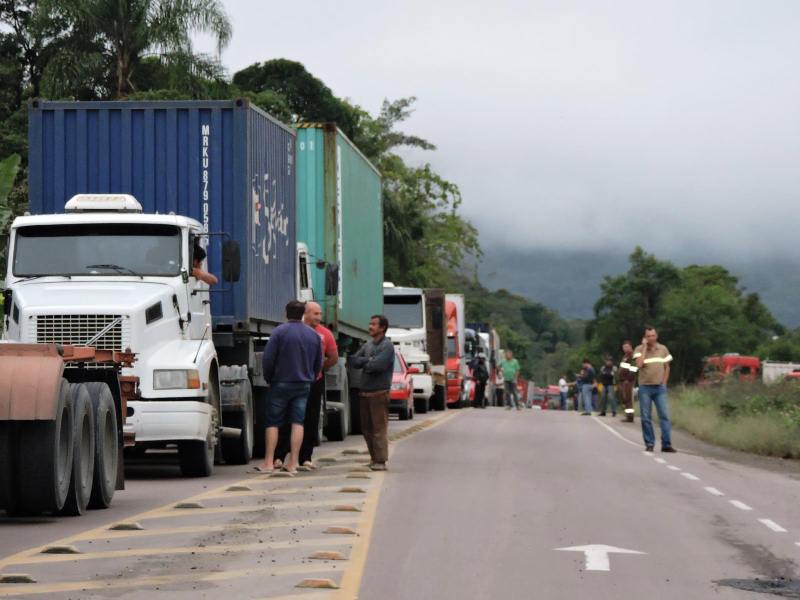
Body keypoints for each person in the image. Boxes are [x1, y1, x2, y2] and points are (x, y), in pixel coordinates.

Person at [257, 300, 322, 475]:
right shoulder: (313, 335)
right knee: (297, 422)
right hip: (303, 384)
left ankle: (269, 462)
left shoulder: (279, 332)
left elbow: (268, 358)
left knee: (273, 422)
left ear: (286, 313)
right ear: (302, 313)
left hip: (280, 382)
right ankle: (293, 462)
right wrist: (311, 377)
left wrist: (269, 377)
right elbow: (319, 362)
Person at [273, 301, 338, 471]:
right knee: (287, 418)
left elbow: (333, 357)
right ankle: (279, 456)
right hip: (293, 380)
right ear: (305, 314)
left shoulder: (325, 335)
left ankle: (305, 457)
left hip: (314, 381)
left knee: (310, 418)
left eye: (320, 314)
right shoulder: (296, 331)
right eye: (315, 314)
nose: (319, 317)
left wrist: (317, 371)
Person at [350, 315, 395, 471]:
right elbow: (354, 360)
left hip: (379, 394)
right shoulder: (368, 345)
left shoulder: (387, 346)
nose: (370, 327)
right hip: (365, 393)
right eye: (370, 323)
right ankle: (373, 458)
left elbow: (378, 366)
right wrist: (368, 360)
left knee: (378, 429)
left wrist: (367, 362)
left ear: (382, 328)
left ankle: (381, 460)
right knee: (367, 429)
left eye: (374, 324)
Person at [634, 326, 676, 453]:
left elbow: (667, 367)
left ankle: (666, 444)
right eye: (648, 336)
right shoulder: (639, 349)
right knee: (646, 417)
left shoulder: (663, 349)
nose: (651, 338)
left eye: (653, 336)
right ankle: (650, 443)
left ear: (656, 336)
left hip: (659, 387)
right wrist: (645, 348)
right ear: (644, 337)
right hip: (645, 387)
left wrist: (664, 382)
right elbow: (639, 364)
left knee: (664, 416)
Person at [618, 341, 637, 422]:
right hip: (622, 381)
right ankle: (627, 415)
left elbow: (633, 368)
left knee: (628, 398)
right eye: (623, 347)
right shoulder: (625, 356)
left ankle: (630, 416)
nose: (625, 349)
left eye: (626, 347)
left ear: (630, 347)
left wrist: (628, 379)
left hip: (628, 381)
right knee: (624, 398)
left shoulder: (632, 355)